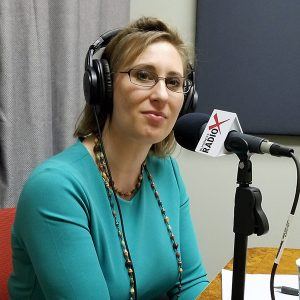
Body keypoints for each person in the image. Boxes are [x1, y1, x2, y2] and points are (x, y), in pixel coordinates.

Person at [8, 17, 209, 299]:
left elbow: (189, 282)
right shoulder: (55, 189)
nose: (162, 95)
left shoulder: (167, 173)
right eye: (143, 75)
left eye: (173, 82)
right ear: (103, 86)